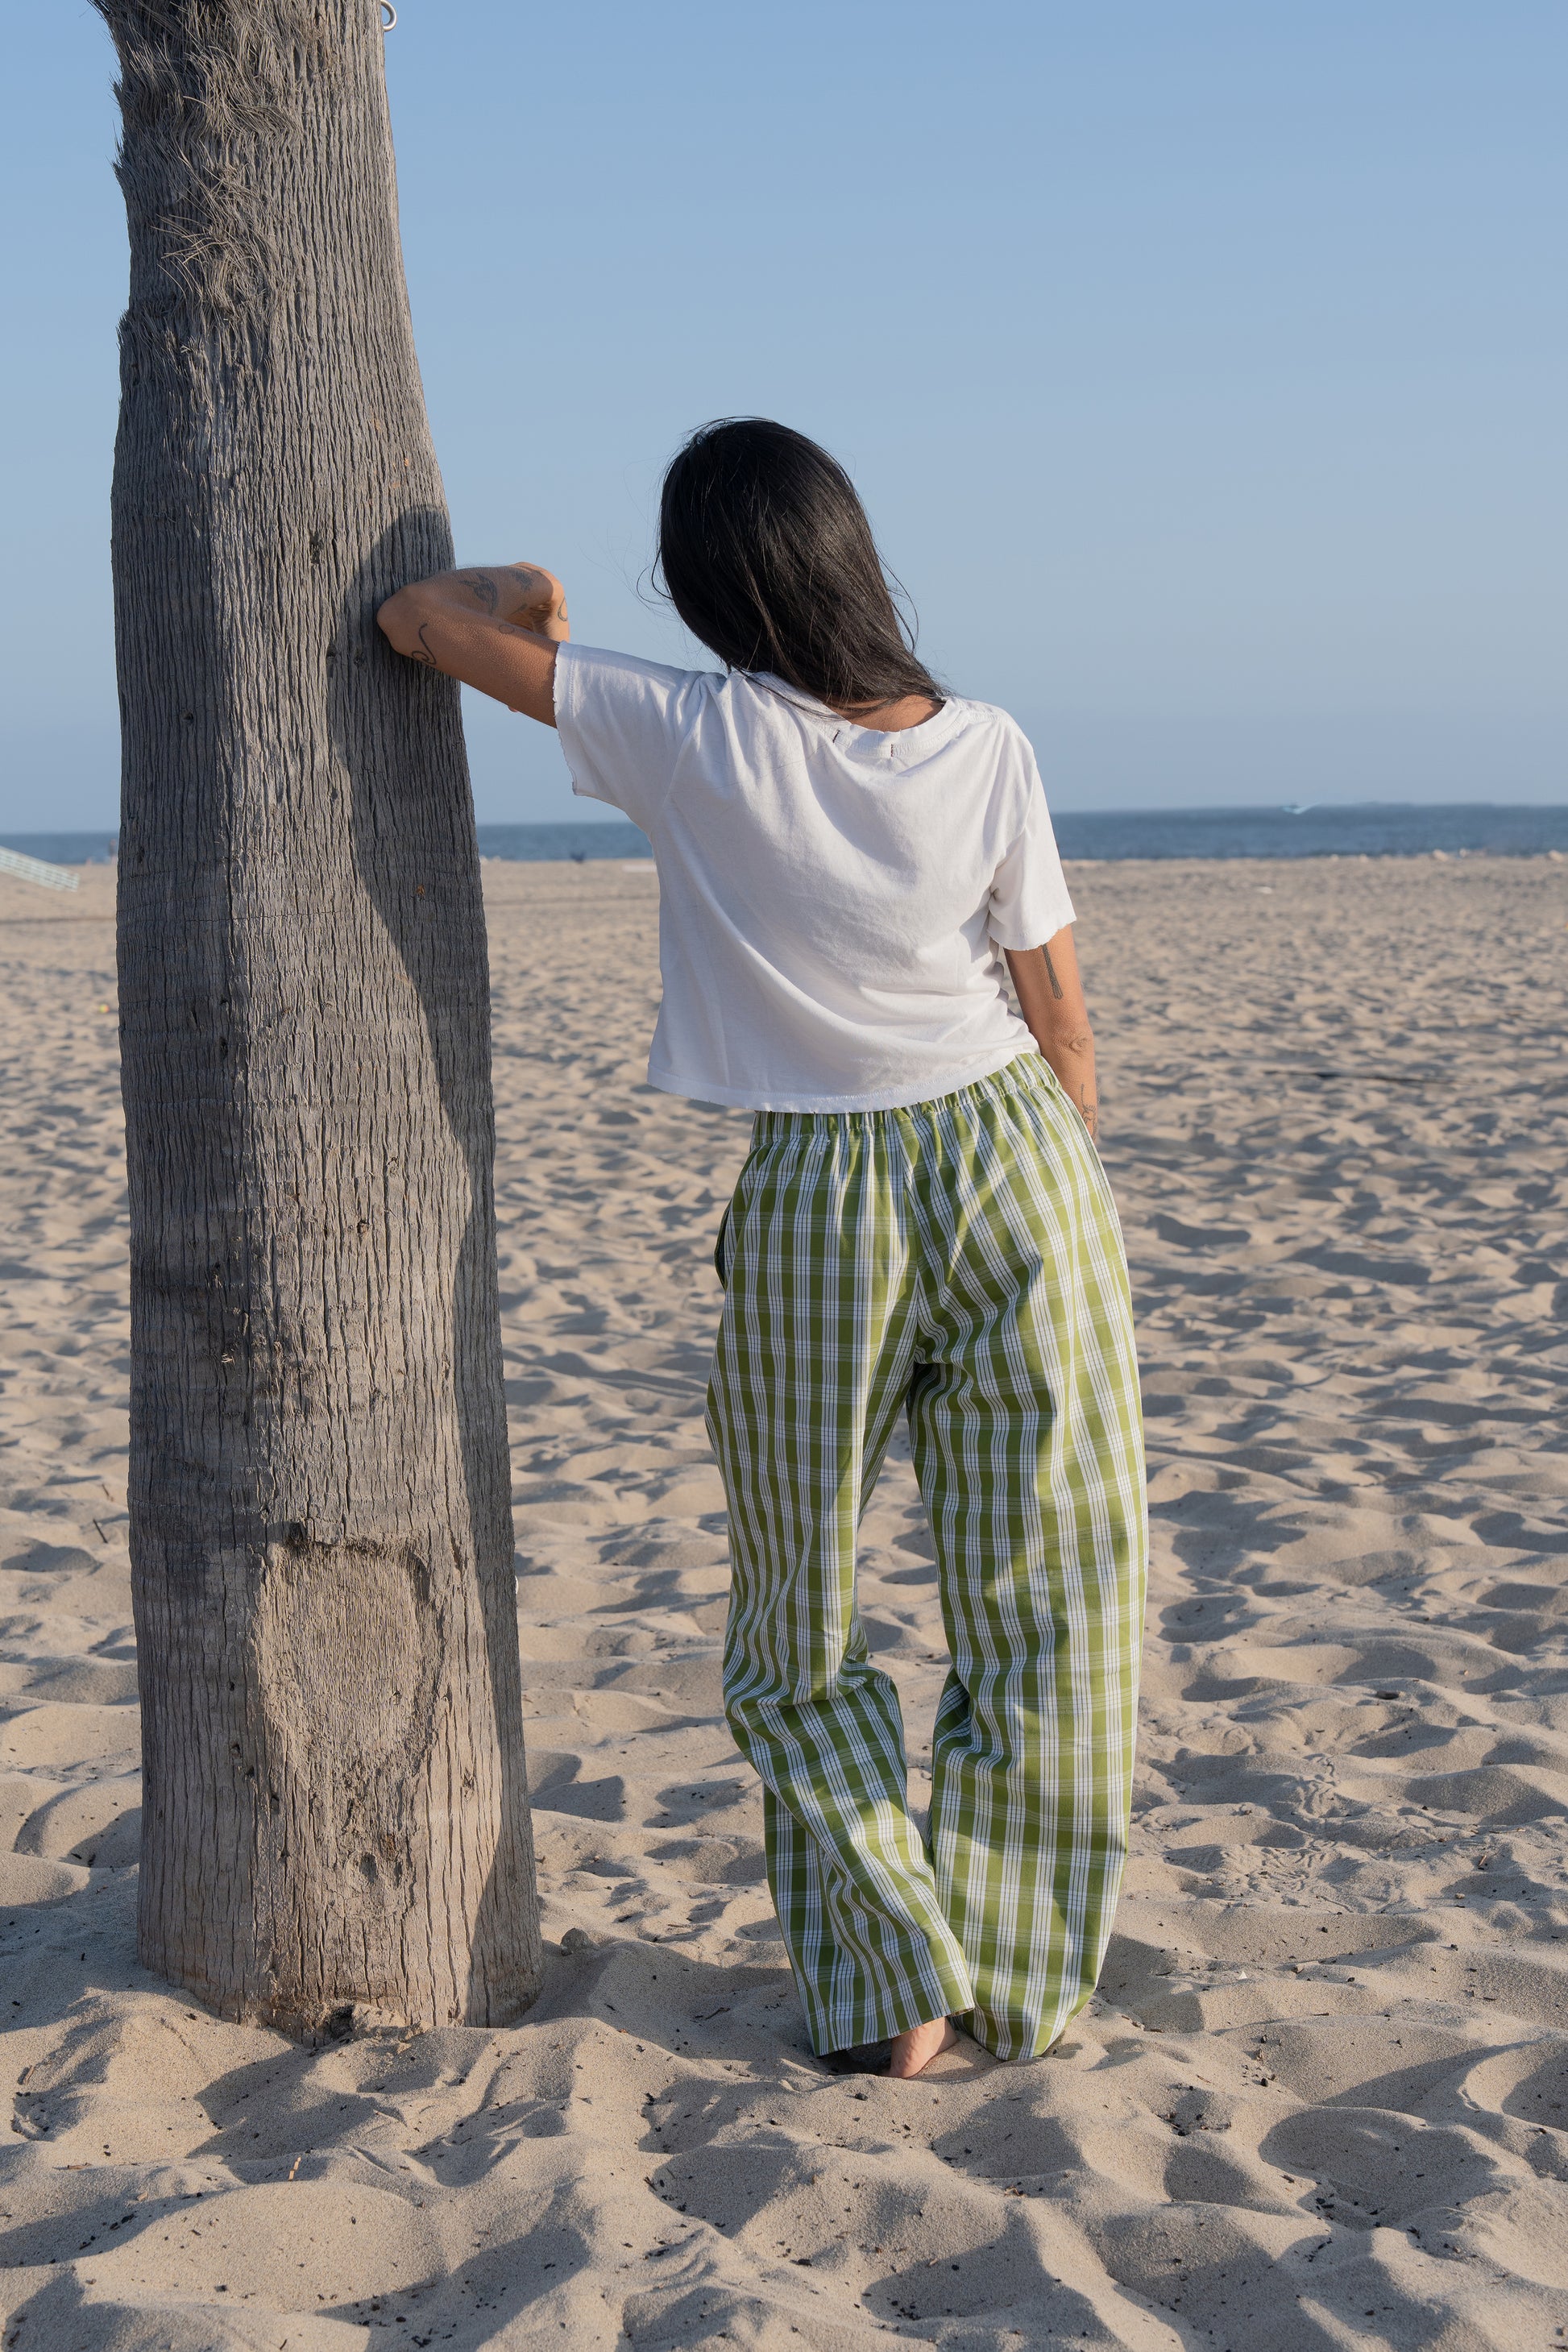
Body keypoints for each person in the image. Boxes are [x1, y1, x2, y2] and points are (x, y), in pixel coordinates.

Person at [378, 418, 1147, 2080]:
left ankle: (892, 1986)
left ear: (713, 586)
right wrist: (1064, 1188)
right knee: (1050, 1599)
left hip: (822, 1197)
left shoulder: (683, 730)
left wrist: (525, 592)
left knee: (796, 1615)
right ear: (849, 555)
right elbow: (1060, 1009)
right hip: (1024, 1160)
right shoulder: (987, 741)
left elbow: (420, 628)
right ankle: (1018, 1979)